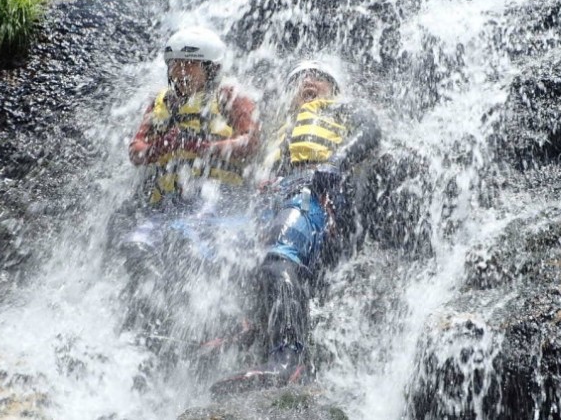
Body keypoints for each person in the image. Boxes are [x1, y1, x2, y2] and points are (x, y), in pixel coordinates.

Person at [212, 59, 381, 394]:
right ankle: (240, 332)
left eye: (317, 77)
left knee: (279, 258)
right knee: (230, 257)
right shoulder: (283, 127)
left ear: (333, 88)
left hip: (313, 191)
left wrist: (336, 161)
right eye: (301, 79)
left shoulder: (340, 110)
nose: (308, 81)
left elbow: (370, 130)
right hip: (275, 198)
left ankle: (289, 359)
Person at [128, 26, 260, 208]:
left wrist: (200, 147)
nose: (181, 72)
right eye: (175, 64)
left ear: (211, 69)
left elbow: (251, 142)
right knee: (135, 238)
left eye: (190, 64)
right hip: (165, 202)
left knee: (192, 235)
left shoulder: (229, 95)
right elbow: (136, 150)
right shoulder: (161, 101)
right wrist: (159, 147)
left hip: (220, 200)